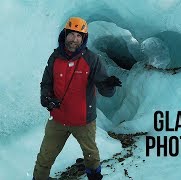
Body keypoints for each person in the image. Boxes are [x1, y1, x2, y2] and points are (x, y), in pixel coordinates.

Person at [32, 17, 122, 180]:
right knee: (44, 157)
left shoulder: (92, 60)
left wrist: (109, 84)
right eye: (72, 34)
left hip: (84, 121)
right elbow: (46, 83)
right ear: (65, 35)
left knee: (91, 156)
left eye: (79, 36)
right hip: (58, 119)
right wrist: (47, 99)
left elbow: (106, 92)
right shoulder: (54, 58)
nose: (75, 39)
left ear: (84, 38)